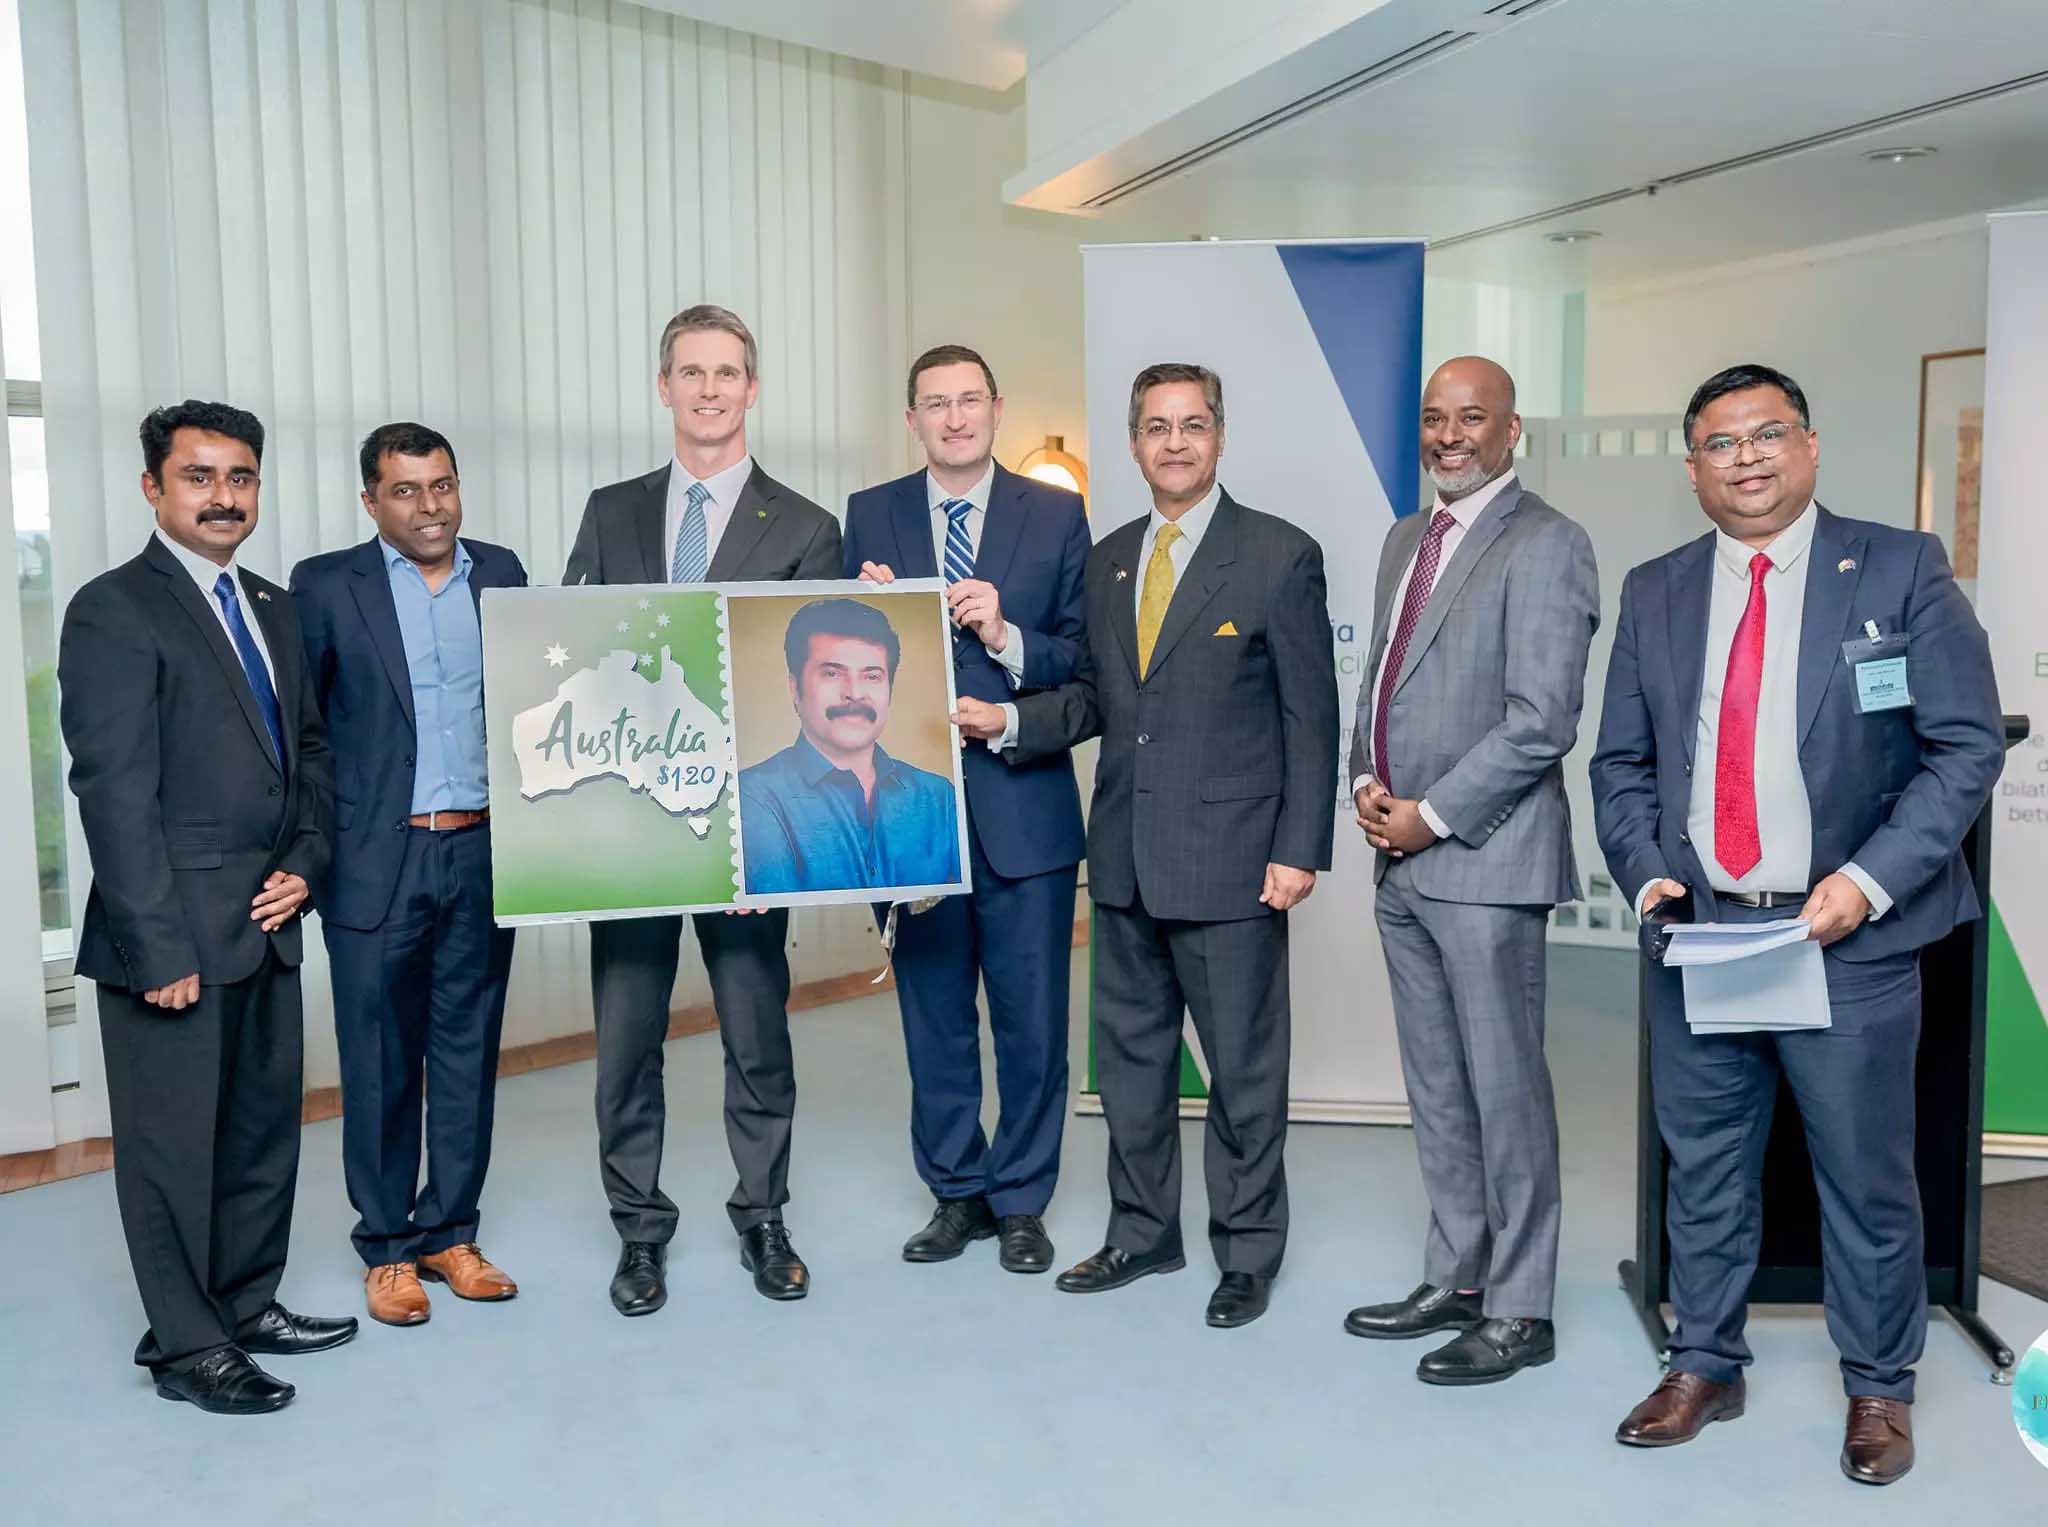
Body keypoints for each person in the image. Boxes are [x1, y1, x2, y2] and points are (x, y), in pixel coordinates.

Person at [1589, 363, 2003, 1484]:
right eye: (1720, 443)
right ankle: (1702, 1363)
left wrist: (1867, 880)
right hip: (1707, 936)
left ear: (1809, 447)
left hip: (1846, 940)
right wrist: (1646, 877)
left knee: (1864, 1178)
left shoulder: (1900, 567)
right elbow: (1619, 764)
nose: (1747, 458)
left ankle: (1878, 1386)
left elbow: (1965, 746)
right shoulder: (1656, 589)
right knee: (1706, 1168)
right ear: (1692, 470)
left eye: (1767, 434)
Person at [974, 362, 1338, 1329]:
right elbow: (1093, 700)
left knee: (1243, 1075)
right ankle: (1142, 1232)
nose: (1175, 443)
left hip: (1235, 864)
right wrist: (1008, 723)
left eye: (1193, 425)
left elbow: (1310, 717)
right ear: (1134, 442)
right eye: (1156, 427)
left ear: (1220, 435)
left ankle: (1247, 1252)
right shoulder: (1110, 561)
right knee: (1132, 1070)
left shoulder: (1279, 555)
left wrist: (1299, 848)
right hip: (1126, 859)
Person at [58, 400, 353, 1414]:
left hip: (269, 923)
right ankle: (188, 1347)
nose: (223, 496)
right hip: (172, 934)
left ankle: (245, 1304)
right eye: (199, 476)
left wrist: (308, 862)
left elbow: (309, 754)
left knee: (262, 1137)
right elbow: (113, 792)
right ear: (154, 487)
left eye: (240, 477)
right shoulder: (113, 608)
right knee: (172, 1152)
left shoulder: (274, 606)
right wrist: (156, 946)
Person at [563, 304, 841, 1314]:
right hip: (633, 826)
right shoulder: (611, 511)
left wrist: (775, 840)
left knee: (756, 1036)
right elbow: (577, 654)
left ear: (751, 389)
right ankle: (638, 1231)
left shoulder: (806, 526)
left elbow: (804, 693)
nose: (710, 389)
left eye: (727, 372)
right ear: (664, 386)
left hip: (747, 831)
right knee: (626, 1041)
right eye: (692, 372)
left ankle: (763, 1216)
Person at [1342, 358, 1599, 1384]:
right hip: (1397, 860)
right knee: (1438, 1087)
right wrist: (1365, 782)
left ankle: (1521, 1307)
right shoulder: (1407, 537)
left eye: (1472, 418)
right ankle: (1456, 1276)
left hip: (1486, 861)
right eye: (1434, 418)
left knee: (1504, 1090)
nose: (1449, 435)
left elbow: (1541, 721)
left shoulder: (1547, 543)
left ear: (1511, 431)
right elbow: (1380, 683)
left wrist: (1431, 816)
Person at [846, 343, 1090, 1273]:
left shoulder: (1056, 514)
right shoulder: (870, 513)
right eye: (935, 403)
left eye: (969, 400)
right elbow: (835, 651)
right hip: (908, 814)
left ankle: (1022, 1199)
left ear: (997, 408)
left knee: (1033, 1022)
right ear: (912, 419)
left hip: (1024, 809)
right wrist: (859, 611)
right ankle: (956, 1191)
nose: (954, 417)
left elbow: (1083, 661)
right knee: (935, 1018)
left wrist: (1006, 636)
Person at [291, 423, 527, 1327]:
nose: (430, 507)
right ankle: (387, 1247)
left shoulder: (501, 573)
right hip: (373, 859)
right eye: (406, 490)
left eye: (442, 486)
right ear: (371, 501)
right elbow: (304, 733)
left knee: (466, 1050)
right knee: (381, 1059)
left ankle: (451, 1232)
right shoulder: (325, 586)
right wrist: (310, 852)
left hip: (482, 850)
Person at [738, 598, 961, 893]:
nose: (855, 693)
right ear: (795, 689)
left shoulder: (938, 797)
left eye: (872, 676)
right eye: (832, 673)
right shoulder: (751, 797)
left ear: (889, 691)